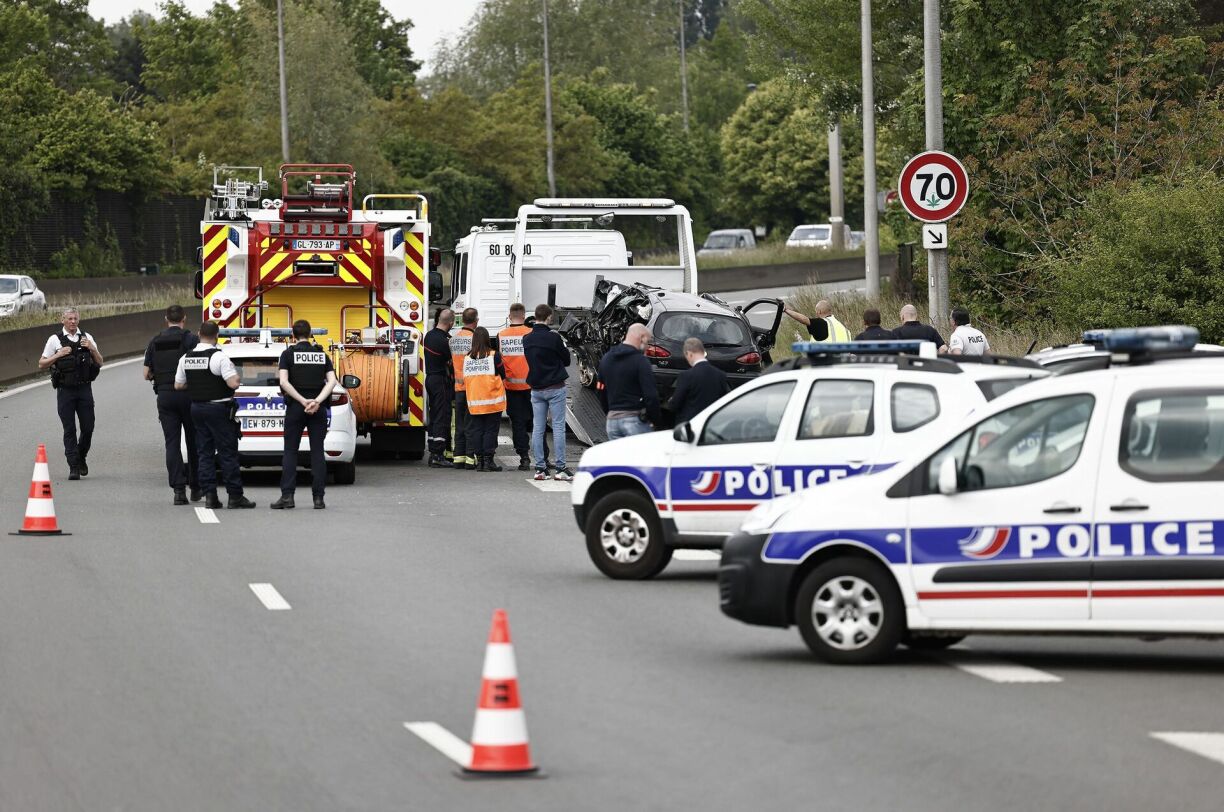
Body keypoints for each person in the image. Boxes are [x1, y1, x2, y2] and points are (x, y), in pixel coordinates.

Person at [174, 321, 255, 509]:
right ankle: (235, 496)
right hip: (219, 409)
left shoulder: (186, 357)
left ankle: (210, 496)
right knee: (227, 453)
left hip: (196, 409)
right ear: (216, 335)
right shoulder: (219, 357)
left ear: (198, 333)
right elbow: (233, 384)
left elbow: (178, 385)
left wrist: (196, 386)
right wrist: (237, 376)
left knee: (204, 453)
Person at [271, 319, 338, 510]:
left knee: (290, 451)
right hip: (318, 410)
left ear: (293, 335)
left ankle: (288, 497)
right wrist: (317, 401)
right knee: (317, 452)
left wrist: (302, 401)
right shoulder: (321, 355)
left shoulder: (288, 354)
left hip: (296, 408)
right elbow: (332, 381)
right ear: (310, 335)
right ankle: (319, 498)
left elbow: (284, 382)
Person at [142, 305, 200, 504]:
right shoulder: (191, 339)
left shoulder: (155, 341)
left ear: (166, 319)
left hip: (166, 396)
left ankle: (178, 491)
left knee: (172, 443)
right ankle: (196, 487)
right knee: (194, 442)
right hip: (189, 395)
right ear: (184, 318)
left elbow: (146, 374)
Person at [38, 307, 103, 480]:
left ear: (78, 320)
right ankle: (73, 466)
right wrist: (58, 354)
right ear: (63, 320)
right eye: (69, 318)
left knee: (88, 427)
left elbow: (100, 362)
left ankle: (81, 456)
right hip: (65, 391)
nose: (73, 321)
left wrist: (92, 349)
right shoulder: (54, 339)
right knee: (70, 429)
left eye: (75, 318)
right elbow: (42, 364)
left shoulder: (87, 337)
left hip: (84, 390)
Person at [523, 304, 571, 481]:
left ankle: (540, 468)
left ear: (535, 317)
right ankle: (560, 468)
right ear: (549, 317)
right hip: (555, 387)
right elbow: (566, 360)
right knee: (558, 427)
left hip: (536, 389)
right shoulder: (554, 338)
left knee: (538, 428)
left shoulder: (526, 339)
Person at [599, 323, 661, 441]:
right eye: (647, 341)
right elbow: (651, 395)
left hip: (612, 423)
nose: (647, 346)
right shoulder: (641, 361)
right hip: (634, 420)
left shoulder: (606, 358)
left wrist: (610, 412)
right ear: (641, 337)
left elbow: (601, 390)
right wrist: (655, 420)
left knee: (619, 459)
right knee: (640, 458)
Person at [463, 327, 506, 472]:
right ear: (488, 339)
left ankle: (480, 461)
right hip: (492, 400)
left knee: (477, 431)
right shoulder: (494, 355)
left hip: (475, 401)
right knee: (490, 431)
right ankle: (488, 461)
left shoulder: (467, 358)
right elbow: (503, 374)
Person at [499, 303, 534, 471]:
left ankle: (524, 457)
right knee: (537, 423)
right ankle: (543, 457)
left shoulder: (501, 335)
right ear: (524, 315)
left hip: (511, 387)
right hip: (532, 386)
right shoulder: (530, 333)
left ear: (509, 315)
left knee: (518, 424)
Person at [668, 338, 730, 425]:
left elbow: (675, 404)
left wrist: (671, 401)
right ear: (703, 352)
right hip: (711, 425)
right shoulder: (721, 375)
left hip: (689, 426)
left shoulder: (686, 376)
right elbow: (725, 402)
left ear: (689, 354)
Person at [423, 307, 455, 468]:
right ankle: (438, 455)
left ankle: (433, 450)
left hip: (430, 379)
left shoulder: (430, 336)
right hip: (441, 380)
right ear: (450, 323)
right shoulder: (444, 341)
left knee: (435, 414)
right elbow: (452, 361)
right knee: (442, 416)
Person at [450, 307, 478, 470]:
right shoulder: (475, 339)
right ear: (475, 321)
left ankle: (458, 457)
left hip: (458, 387)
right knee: (471, 424)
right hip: (472, 388)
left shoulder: (453, 339)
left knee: (459, 424)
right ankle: (469, 457)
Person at [782, 299, 852, 342]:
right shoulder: (842, 327)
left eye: (816, 312)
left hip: (828, 363)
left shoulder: (822, 323)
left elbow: (804, 319)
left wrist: (786, 310)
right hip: (845, 363)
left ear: (819, 312)